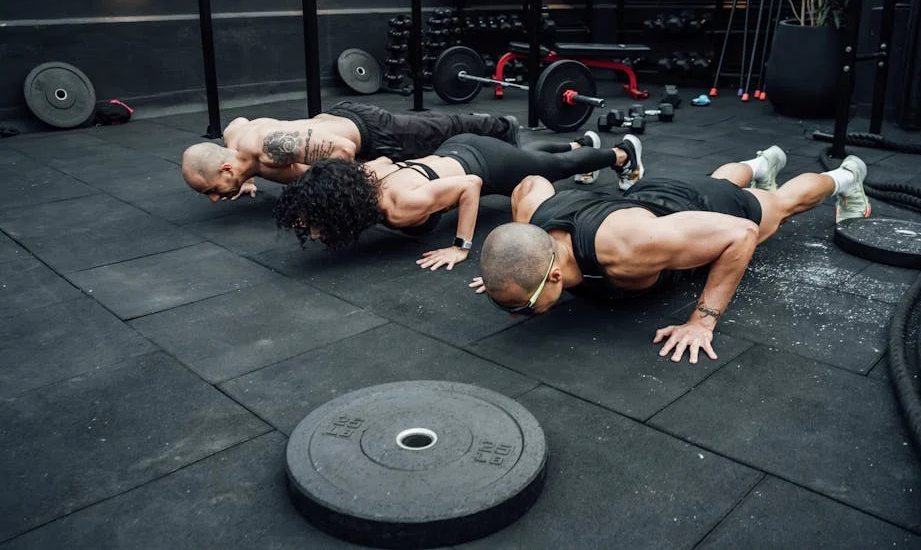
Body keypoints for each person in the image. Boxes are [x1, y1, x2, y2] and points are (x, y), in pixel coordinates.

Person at [473, 146, 872, 364]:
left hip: (705, 208)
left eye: (522, 306)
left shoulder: (625, 249)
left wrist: (702, 322)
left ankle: (847, 177)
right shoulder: (535, 222)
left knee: (780, 205)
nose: (515, 315)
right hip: (651, 200)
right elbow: (530, 183)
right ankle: (761, 162)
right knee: (717, 178)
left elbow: (742, 235)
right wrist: (509, 270)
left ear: (555, 275)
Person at [273, 133, 645, 271]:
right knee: (530, 158)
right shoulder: (364, 176)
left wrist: (461, 247)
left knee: (553, 168)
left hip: (483, 164)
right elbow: (384, 160)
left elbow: (471, 185)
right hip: (455, 149)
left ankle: (622, 154)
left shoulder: (399, 205)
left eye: (317, 224)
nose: (315, 233)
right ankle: (580, 143)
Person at [180, 101, 519, 202]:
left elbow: (343, 149)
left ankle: (503, 126)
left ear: (226, 168)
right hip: (340, 121)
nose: (215, 198)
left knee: (438, 130)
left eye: (211, 190)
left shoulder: (268, 148)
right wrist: (246, 179)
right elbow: (238, 122)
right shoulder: (234, 141)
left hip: (369, 132)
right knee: (432, 128)